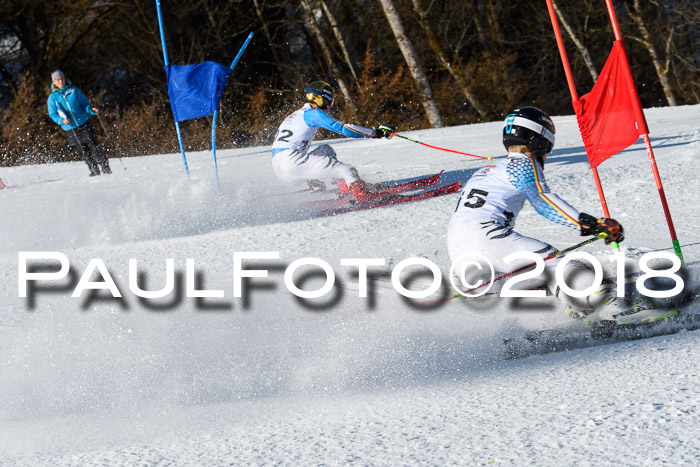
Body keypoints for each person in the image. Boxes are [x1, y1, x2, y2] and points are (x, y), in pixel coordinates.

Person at [447, 106, 669, 324]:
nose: (546, 154)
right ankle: (614, 307)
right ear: (538, 139)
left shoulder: (488, 169)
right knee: (558, 265)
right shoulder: (522, 163)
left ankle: (547, 320)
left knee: (534, 274)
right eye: (547, 147)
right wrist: (592, 225)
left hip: (459, 253)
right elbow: (543, 202)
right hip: (487, 238)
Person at [271, 81, 391, 201]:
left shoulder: (295, 114)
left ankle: (325, 185)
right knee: (347, 170)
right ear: (320, 100)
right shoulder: (314, 113)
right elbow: (344, 128)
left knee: (325, 149)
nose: (329, 106)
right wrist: (374, 133)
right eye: (329, 101)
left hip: (280, 168)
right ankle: (362, 194)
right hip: (293, 163)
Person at [47, 70, 111, 176]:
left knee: (95, 146)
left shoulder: (74, 90)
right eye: (58, 80)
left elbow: (84, 104)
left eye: (62, 79)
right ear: (54, 82)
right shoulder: (52, 98)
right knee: (84, 151)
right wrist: (62, 121)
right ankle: (94, 171)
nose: (60, 81)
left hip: (84, 123)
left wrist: (91, 110)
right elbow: (52, 114)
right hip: (70, 128)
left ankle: (106, 168)